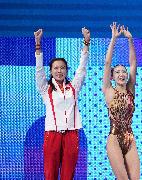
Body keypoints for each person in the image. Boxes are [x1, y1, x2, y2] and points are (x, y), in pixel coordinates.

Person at [34, 27, 90, 180]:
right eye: (56, 68)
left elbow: (82, 68)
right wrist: (38, 45)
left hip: (72, 135)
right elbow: (39, 71)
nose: (59, 71)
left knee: (68, 175)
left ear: (66, 70)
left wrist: (86, 43)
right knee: (50, 174)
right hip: (52, 135)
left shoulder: (74, 87)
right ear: (51, 71)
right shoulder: (46, 89)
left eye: (63, 68)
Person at [102, 22, 140, 179]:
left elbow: (133, 63)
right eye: (117, 72)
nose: (122, 74)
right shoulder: (109, 90)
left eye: (124, 71)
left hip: (130, 138)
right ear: (112, 76)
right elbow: (107, 63)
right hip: (114, 139)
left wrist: (130, 40)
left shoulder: (131, 89)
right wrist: (114, 39)